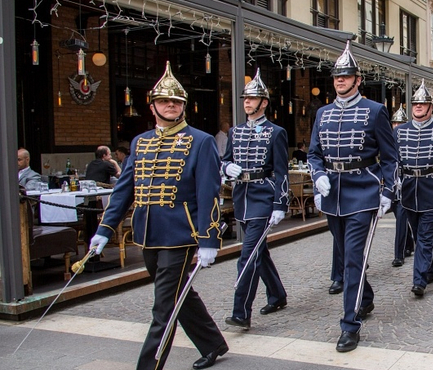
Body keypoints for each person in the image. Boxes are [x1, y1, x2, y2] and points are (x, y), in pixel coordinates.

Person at [89, 61, 228, 370]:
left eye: (176, 102)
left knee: (163, 307)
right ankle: (213, 342)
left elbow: (208, 194)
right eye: (164, 101)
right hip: (148, 234)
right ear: (152, 106)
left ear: (183, 107)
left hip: (182, 234)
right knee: (179, 294)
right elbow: (124, 190)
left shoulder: (201, 141)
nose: (170, 106)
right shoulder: (141, 142)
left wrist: (209, 239)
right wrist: (104, 229)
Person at [307, 40, 398, 352]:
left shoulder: (375, 111)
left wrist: (387, 191)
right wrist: (318, 176)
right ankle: (366, 297)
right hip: (333, 193)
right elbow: (313, 154)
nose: (340, 81)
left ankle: (349, 325)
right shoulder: (322, 113)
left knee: (353, 259)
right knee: (347, 258)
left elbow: (390, 157)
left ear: (358, 80)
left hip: (364, 191)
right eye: (336, 77)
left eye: (346, 77)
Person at [220, 68, 290, 330]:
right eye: (245, 100)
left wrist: (279, 204)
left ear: (263, 103)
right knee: (259, 253)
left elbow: (281, 171)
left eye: (251, 99)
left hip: (263, 197)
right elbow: (225, 160)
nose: (246, 103)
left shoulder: (276, 132)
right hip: (242, 198)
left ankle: (241, 312)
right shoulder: (235, 132)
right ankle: (277, 295)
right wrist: (227, 168)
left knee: (247, 256)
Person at [395, 79, 433, 297]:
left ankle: (419, 280)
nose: (418, 107)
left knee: (424, 233)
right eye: (415, 104)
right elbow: (394, 162)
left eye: (422, 104)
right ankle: (432, 269)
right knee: (420, 232)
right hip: (409, 190)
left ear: (431, 107)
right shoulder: (400, 131)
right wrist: (395, 182)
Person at [390, 107, 415, 267]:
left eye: (400, 123)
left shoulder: (411, 141)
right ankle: (409, 244)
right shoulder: (388, 139)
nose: (397, 126)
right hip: (392, 186)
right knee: (400, 218)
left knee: (401, 220)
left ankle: (399, 255)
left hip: (406, 186)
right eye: (395, 123)